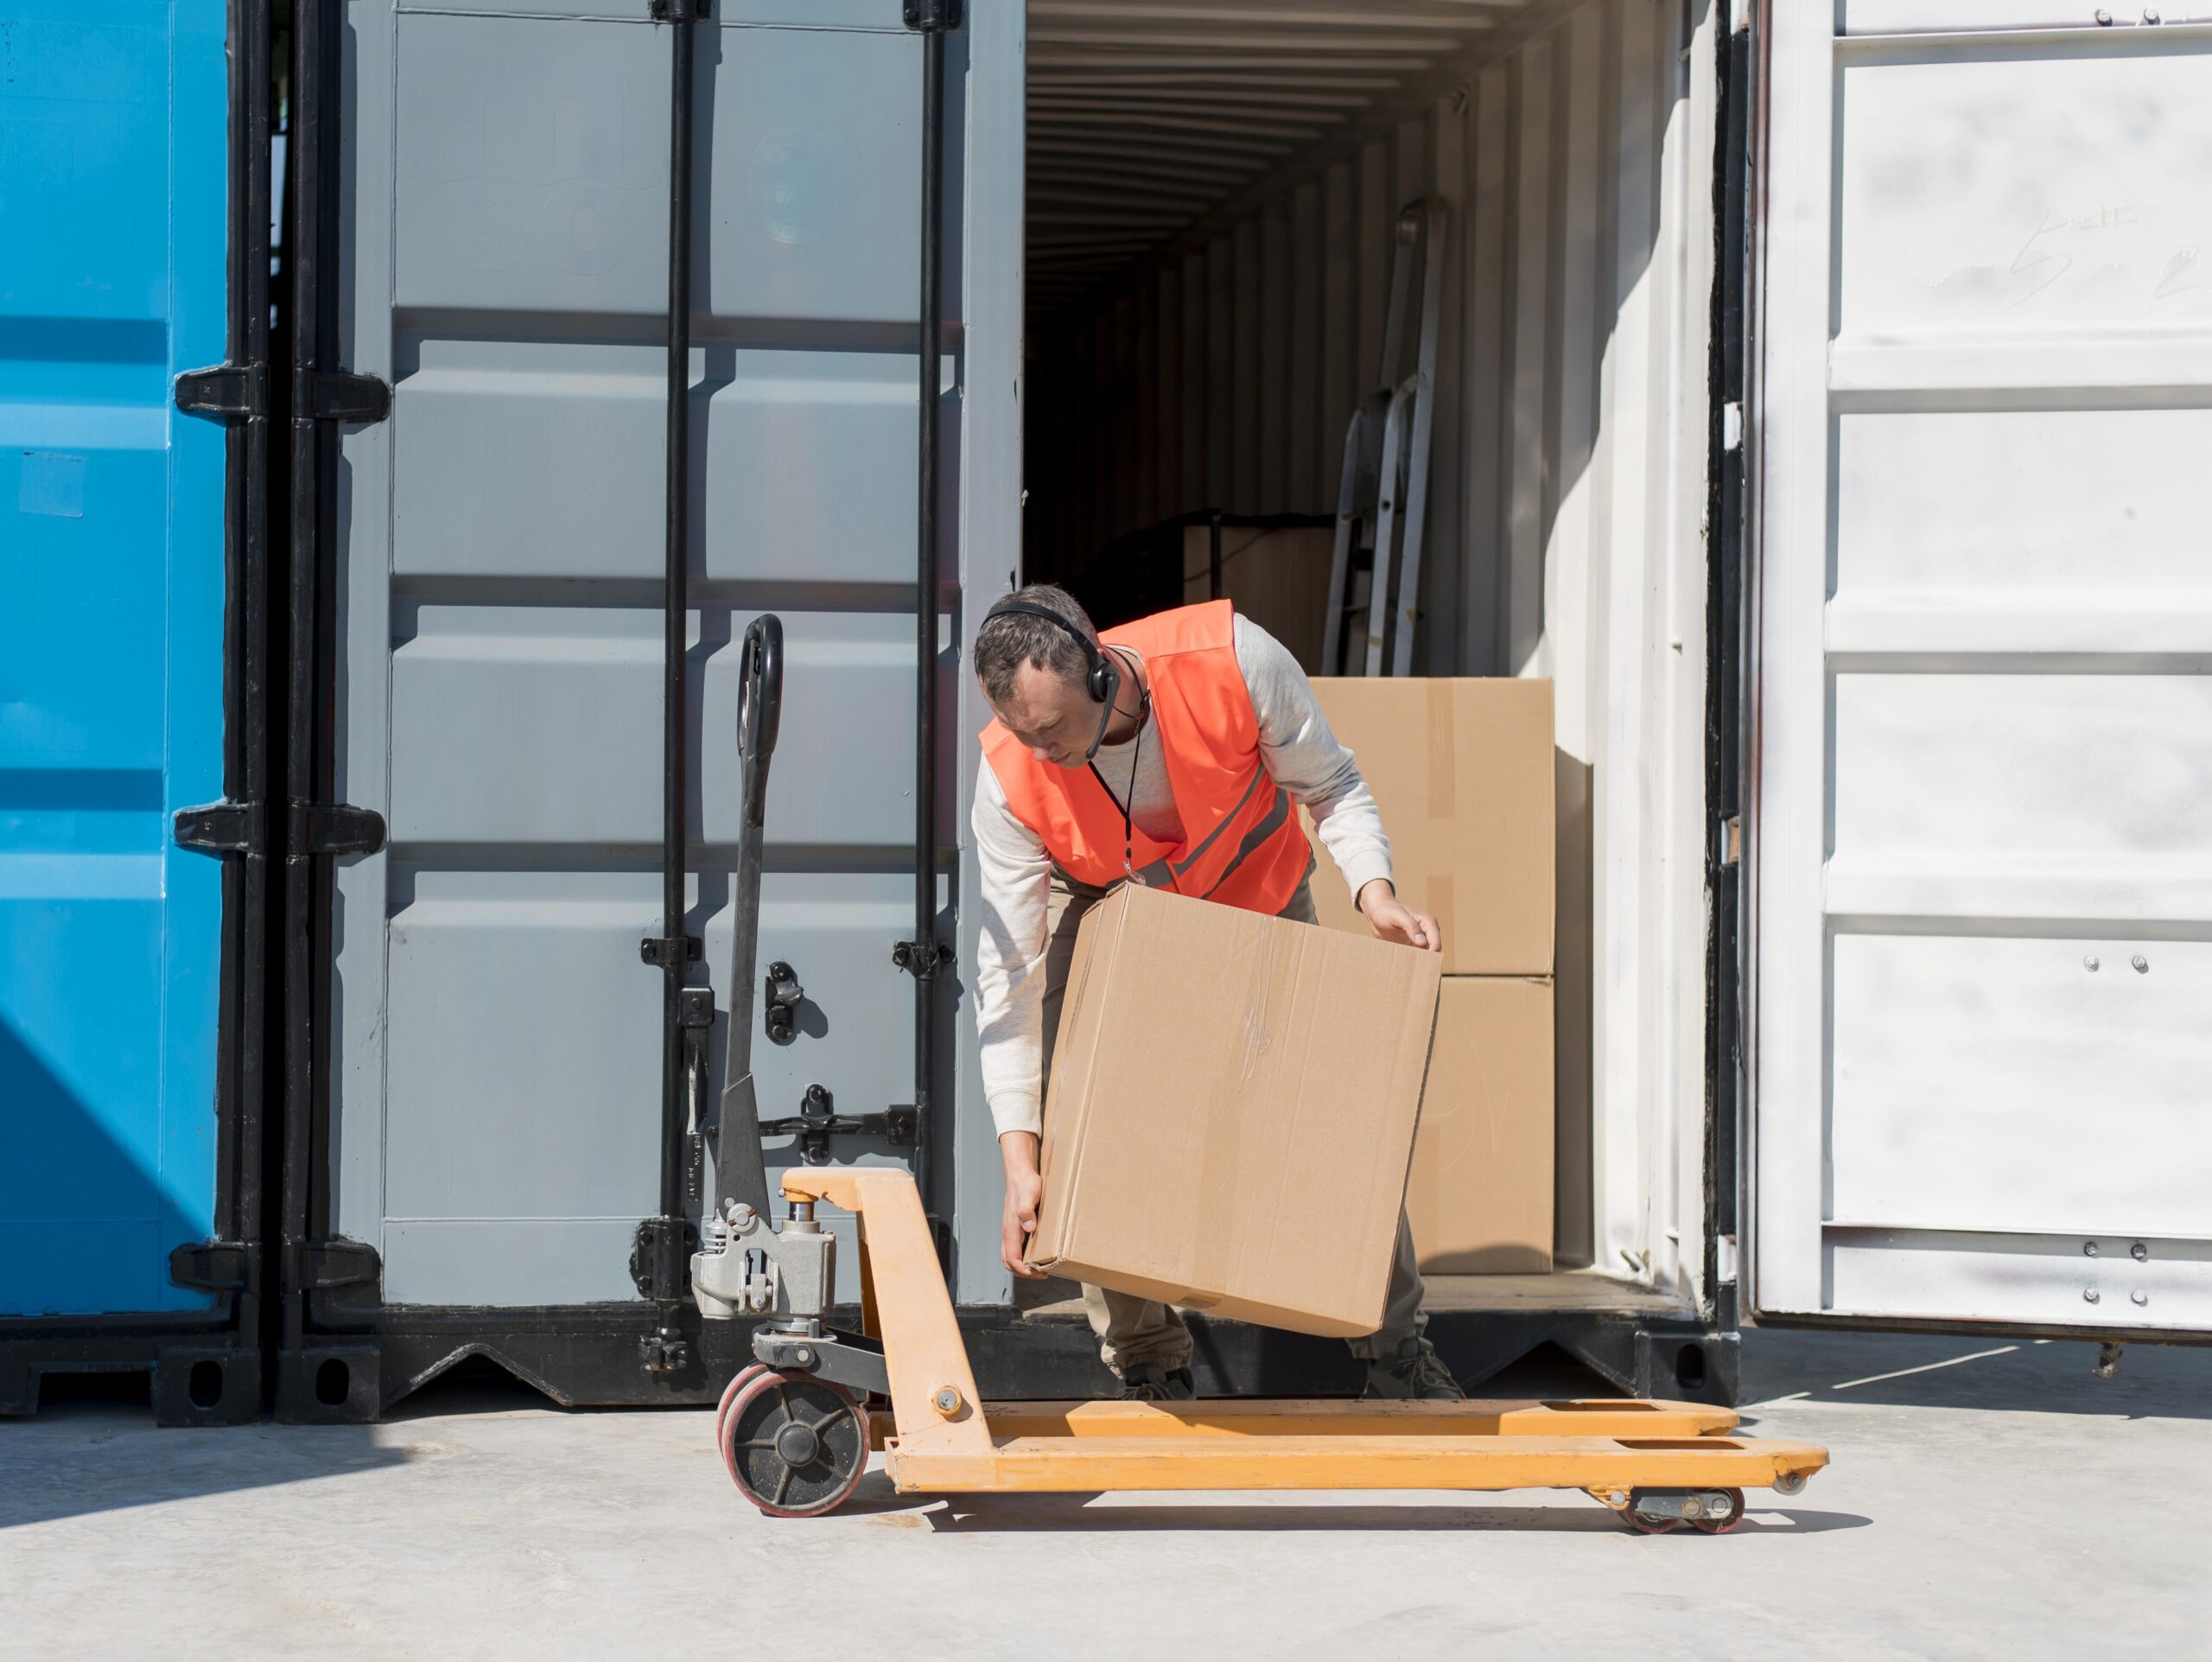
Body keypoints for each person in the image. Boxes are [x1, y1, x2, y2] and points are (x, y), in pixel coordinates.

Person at [970, 583, 1463, 1403]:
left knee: (1328, 1113)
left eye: (1052, 728)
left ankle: (1398, 1351)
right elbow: (1008, 976)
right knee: (1086, 1113)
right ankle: (1148, 1359)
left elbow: (1331, 783)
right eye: (1023, 733)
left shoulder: (1233, 660)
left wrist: (1373, 891)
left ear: (1098, 675)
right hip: (1108, 908)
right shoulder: (1009, 774)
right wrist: (1020, 1159)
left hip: (1257, 895)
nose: (1041, 751)